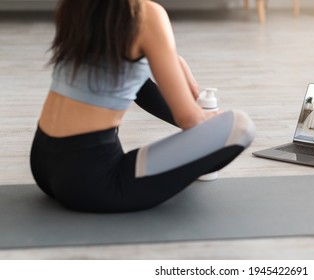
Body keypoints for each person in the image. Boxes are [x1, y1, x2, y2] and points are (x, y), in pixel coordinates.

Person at [30, 0, 255, 213]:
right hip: (90, 182)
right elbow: (190, 119)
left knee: (139, 71)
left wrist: (164, 56)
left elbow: (133, 75)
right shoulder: (146, 14)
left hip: (42, 163)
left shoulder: (77, 7)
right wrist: (207, 125)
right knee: (240, 126)